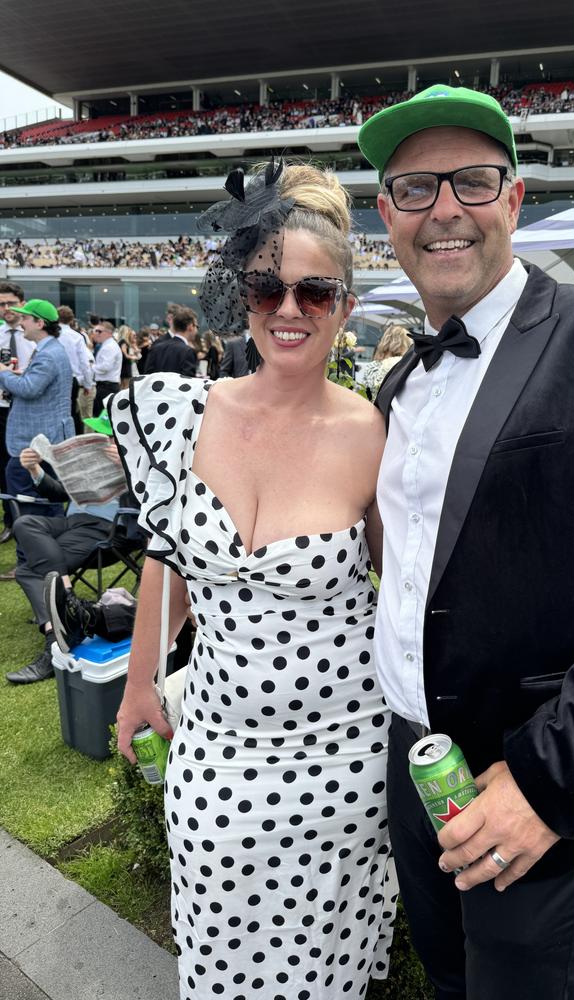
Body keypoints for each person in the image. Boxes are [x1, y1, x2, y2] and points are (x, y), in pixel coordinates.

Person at [357, 83, 574, 1000]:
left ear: (515, 200)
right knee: (449, 981)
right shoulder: (397, 384)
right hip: (416, 767)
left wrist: (547, 785)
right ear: (387, 216)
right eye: (415, 190)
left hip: (538, 784)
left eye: (472, 183)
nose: (444, 210)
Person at [111, 159, 395, 998]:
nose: (289, 311)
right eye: (269, 289)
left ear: (345, 303)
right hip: (218, 753)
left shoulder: (376, 433)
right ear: (243, 292)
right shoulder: (178, 411)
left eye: (315, 292)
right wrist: (137, 684)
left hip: (342, 764)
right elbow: (171, 558)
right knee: (221, 960)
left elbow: (407, 586)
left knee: (325, 970)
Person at [5, 430, 129, 684]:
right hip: (71, 524)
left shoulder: (138, 460)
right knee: (25, 523)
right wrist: (35, 469)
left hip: (107, 528)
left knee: (28, 570)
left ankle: (53, 642)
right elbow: (59, 493)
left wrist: (129, 467)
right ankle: (67, 597)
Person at [0, 298, 73, 514]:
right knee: (47, 500)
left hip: (36, 440)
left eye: (25, 318)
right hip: (43, 438)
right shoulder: (49, 350)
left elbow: (29, 389)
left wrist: (3, 372)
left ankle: (32, 542)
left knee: (33, 503)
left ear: (40, 324)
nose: (21, 322)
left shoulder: (48, 354)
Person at [0, 281, 35, 542]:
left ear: (21, 302)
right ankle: (10, 520)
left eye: (10, 303)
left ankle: (31, 518)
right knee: (3, 466)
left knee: (27, 463)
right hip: (2, 407)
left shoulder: (33, 335)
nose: (6, 308)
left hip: (27, 407)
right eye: (1, 304)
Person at [57, 305, 94, 434]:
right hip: (72, 378)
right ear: (71, 320)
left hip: (53, 376)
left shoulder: (52, 334)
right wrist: (87, 384)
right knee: (72, 410)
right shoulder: (76, 336)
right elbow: (84, 363)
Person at [358, 323, 411, 401]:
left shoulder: (371, 366)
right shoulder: (405, 366)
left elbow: (363, 394)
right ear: (405, 344)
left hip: (372, 410)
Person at [143, 306, 198, 377]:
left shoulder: (157, 347)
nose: (197, 330)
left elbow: (147, 376)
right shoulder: (188, 351)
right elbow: (188, 384)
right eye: (197, 326)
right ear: (190, 326)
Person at [91, 320, 122, 416]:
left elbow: (105, 367)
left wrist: (91, 367)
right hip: (106, 386)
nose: (96, 334)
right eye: (96, 331)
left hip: (107, 387)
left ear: (108, 333)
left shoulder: (110, 346)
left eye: (99, 331)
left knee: (102, 418)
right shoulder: (107, 345)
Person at [116, 324, 141, 389]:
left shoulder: (122, 342)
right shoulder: (123, 342)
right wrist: (134, 357)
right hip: (125, 367)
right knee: (126, 387)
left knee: (124, 386)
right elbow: (125, 355)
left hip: (124, 367)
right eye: (128, 331)